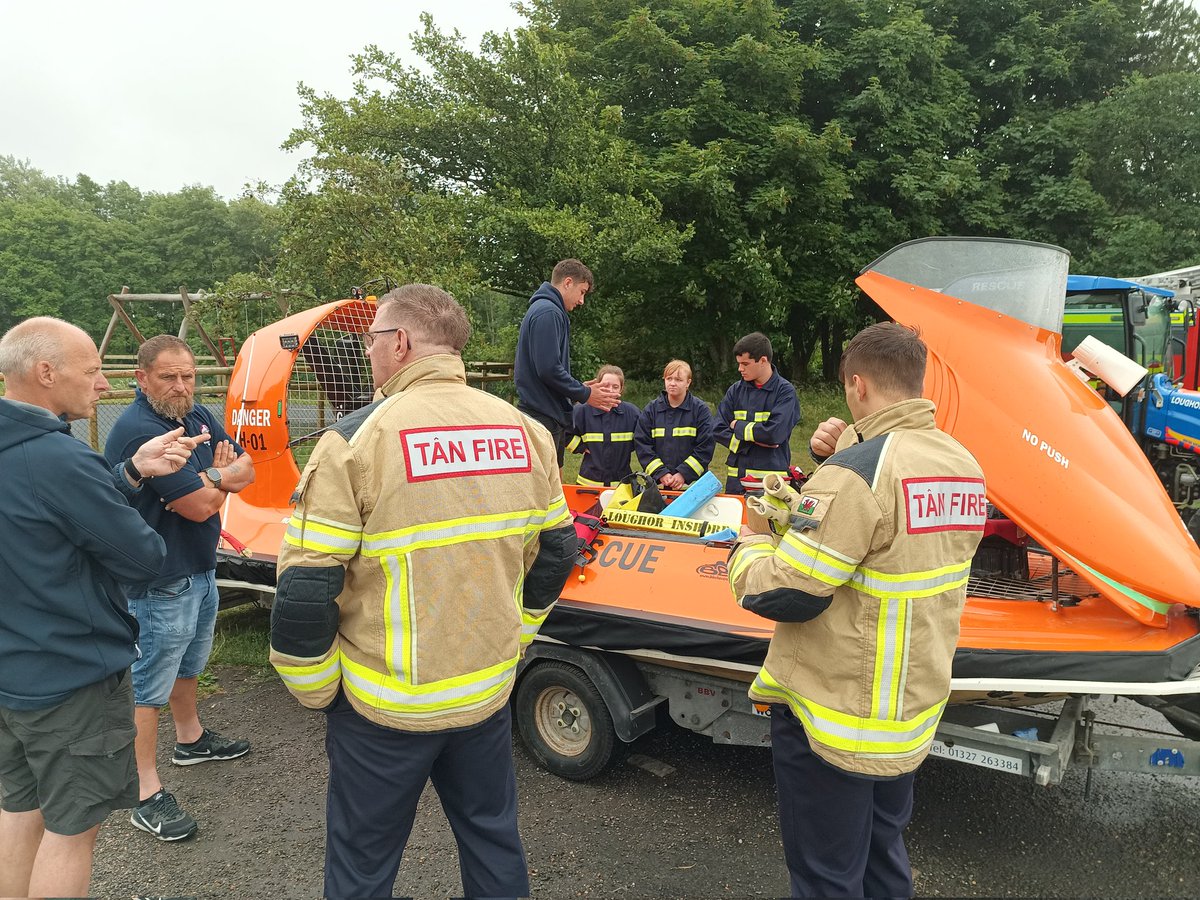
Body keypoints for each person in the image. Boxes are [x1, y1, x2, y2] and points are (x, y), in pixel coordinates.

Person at [269, 284, 578, 898]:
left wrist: (318, 692)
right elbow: (558, 552)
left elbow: (305, 590)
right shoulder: (526, 431)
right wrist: (516, 637)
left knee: (362, 867)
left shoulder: (355, 441)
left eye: (373, 339)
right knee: (494, 843)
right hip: (485, 694)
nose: (369, 350)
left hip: (385, 706)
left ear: (400, 343)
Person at [727, 323, 987, 898]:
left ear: (858, 384)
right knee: (882, 861)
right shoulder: (962, 463)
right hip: (905, 716)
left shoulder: (857, 475)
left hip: (836, 719)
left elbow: (783, 593)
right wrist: (833, 462)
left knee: (826, 877)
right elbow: (886, 549)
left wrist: (749, 541)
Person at [0, 317, 209, 898]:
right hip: (71, 678)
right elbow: (143, 557)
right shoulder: (57, 459)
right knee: (73, 832)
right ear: (46, 373)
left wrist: (132, 472)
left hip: (13, 670)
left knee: (20, 810)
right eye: (92, 370)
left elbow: (44, 519)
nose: (104, 386)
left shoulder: (23, 452)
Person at [104, 334, 256, 842]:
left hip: (198, 565)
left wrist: (209, 475)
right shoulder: (138, 431)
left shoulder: (197, 415)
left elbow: (247, 469)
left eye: (187, 375)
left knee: (190, 662)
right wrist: (218, 478)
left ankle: (189, 739)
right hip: (158, 580)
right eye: (169, 376)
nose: (181, 385)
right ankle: (143, 792)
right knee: (147, 685)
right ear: (142, 378)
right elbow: (200, 506)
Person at [514, 258, 619, 468]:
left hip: (549, 415)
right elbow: (548, 369)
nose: (582, 301)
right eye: (582, 292)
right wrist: (586, 394)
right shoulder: (548, 312)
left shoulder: (549, 311)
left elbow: (548, 368)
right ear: (568, 282)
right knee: (548, 490)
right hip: (542, 418)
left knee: (555, 488)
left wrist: (579, 387)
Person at [714, 332, 800, 493]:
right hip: (736, 480)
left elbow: (774, 434)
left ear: (763, 361)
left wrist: (737, 425)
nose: (740, 368)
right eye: (739, 363)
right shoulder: (735, 391)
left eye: (745, 364)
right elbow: (717, 429)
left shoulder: (785, 392)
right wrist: (748, 443)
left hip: (770, 481)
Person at [634, 359, 716, 491]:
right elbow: (642, 445)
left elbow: (706, 447)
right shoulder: (651, 410)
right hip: (659, 485)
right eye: (669, 378)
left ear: (688, 382)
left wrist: (683, 473)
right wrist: (661, 473)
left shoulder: (700, 410)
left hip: (693, 485)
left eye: (678, 380)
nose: (672, 383)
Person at [566, 364, 642, 486]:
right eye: (605, 386)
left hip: (622, 485)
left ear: (621, 389)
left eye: (615, 386)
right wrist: (579, 447)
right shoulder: (582, 410)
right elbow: (564, 432)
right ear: (597, 385)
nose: (610, 390)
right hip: (588, 483)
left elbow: (643, 438)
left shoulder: (632, 413)